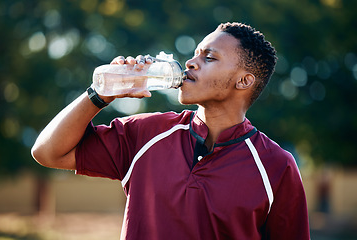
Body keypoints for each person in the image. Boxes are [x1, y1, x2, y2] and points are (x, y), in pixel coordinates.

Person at [31, 22, 310, 239]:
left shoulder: (276, 167)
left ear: (243, 81)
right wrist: (100, 94)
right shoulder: (146, 133)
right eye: (195, 53)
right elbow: (47, 152)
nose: (191, 62)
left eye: (209, 57)